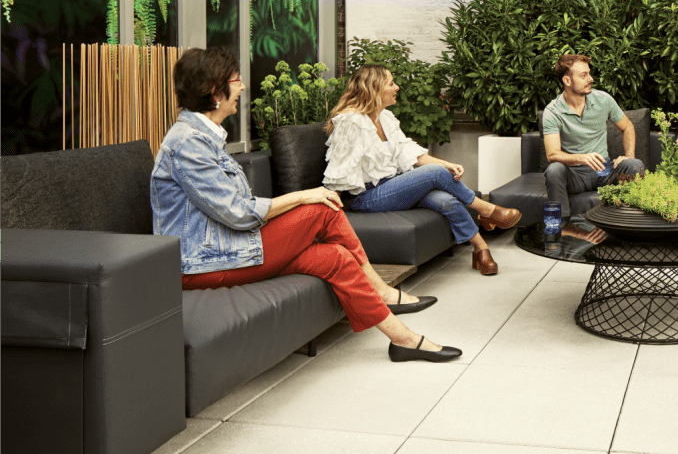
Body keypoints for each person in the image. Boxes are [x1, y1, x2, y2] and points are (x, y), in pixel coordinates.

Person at [151, 48, 459, 363]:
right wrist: (303, 195)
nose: (242, 87)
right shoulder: (189, 143)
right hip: (200, 264)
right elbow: (238, 212)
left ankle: (402, 338)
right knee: (322, 208)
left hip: (226, 247)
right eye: (237, 80)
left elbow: (235, 210)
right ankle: (380, 291)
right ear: (215, 91)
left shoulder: (204, 137)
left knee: (334, 257)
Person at [323, 64, 521, 276]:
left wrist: (446, 164)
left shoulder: (385, 118)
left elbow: (408, 152)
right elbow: (339, 169)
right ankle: (487, 211)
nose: (397, 87)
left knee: (446, 200)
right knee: (435, 173)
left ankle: (481, 248)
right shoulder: (351, 122)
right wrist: (330, 215)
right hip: (367, 197)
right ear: (375, 88)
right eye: (391, 83)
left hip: (393, 187)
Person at [542, 54, 645, 218]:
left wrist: (628, 156)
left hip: (604, 172)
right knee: (554, 170)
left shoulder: (603, 100)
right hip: (574, 176)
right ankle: (564, 226)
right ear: (567, 81)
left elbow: (627, 126)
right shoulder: (552, 111)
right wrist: (582, 158)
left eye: (589, 73)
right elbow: (552, 154)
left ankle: (631, 222)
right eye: (583, 75)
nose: (590, 79)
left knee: (634, 164)